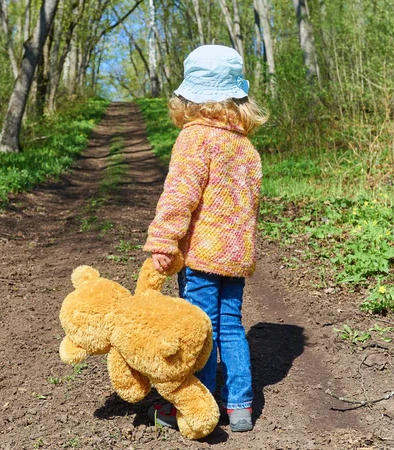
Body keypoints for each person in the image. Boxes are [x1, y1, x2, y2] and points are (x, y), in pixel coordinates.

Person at [143, 44, 268, 433]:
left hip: (201, 256)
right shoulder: (246, 147)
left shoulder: (194, 139)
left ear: (190, 97)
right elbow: (249, 207)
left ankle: (201, 406)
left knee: (201, 329)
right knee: (230, 325)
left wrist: (164, 242)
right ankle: (241, 406)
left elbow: (179, 196)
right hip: (235, 257)